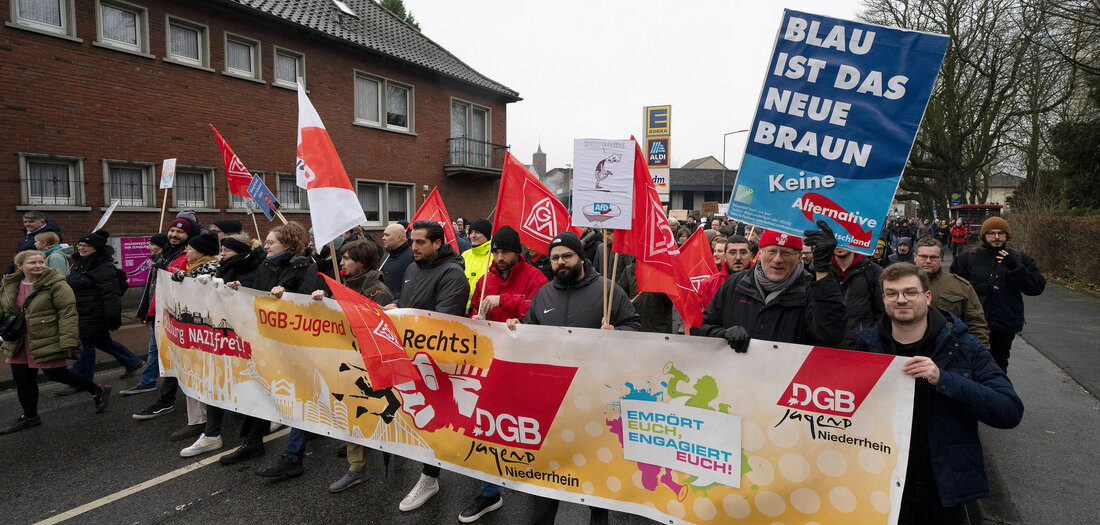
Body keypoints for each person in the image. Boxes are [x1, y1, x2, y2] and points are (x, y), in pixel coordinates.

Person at [853, 263, 1023, 523]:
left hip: (944, 485)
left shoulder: (963, 345)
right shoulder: (866, 345)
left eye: (910, 292)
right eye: (892, 293)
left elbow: (1009, 410)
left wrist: (944, 379)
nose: (901, 299)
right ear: (883, 298)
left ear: (927, 296)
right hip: (881, 480)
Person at [507, 231, 640, 524]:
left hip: (596, 400)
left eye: (567, 256)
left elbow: (636, 329)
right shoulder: (544, 293)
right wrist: (517, 331)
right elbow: (531, 334)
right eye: (555, 258)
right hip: (552, 402)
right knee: (546, 473)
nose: (560, 262)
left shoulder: (609, 291)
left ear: (581, 257)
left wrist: (618, 334)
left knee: (596, 472)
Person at [387, 220, 470, 513]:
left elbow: (443, 320)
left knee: (438, 419)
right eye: (412, 242)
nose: (414, 248)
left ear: (437, 243)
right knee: (419, 417)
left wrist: (407, 318)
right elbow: (410, 303)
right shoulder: (412, 268)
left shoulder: (452, 275)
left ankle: (429, 477)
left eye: (420, 242)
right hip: (410, 357)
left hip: (438, 363)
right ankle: (430, 473)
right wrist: (397, 308)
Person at [218, 222, 315, 465]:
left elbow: (309, 303)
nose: (266, 246)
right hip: (265, 338)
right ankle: (252, 442)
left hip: (292, 342)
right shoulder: (266, 264)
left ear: (289, 244)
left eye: (271, 242)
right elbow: (259, 294)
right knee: (259, 388)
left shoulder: (304, 266)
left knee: (297, 394)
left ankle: (296, 453)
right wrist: (242, 289)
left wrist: (287, 297)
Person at [1, 251, 110, 434]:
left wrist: (68, 339)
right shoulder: (10, 285)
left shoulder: (56, 284)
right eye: (32, 262)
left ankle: (98, 391)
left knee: (57, 374)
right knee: (22, 379)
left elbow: (67, 312)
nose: (38, 265)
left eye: (41, 262)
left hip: (48, 337)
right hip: (20, 340)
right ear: (20, 266)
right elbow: (3, 310)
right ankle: (30, 417)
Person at [178, 234, 265, 458]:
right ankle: (211, 435)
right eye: (221, 250)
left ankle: (256, 437)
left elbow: (259, 300)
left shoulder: (256, 269)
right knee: (215, 382)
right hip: (222, 337)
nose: (222, 255)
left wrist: (238, 290)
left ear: (238, 251)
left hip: (245, 339)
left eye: (226, 251)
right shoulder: (224, 268)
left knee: (251, 387)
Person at [695, 223, 847, 351]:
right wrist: (723, 334)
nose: (778, 259)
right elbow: (699, 328)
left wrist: (823, 270)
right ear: (759, 253)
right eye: (772, 251)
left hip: (787, 382)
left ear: (798, 257)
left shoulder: (811, 290)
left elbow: (830, 335)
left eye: (786, 253)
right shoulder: (735, 284)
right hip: (737, 380)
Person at [950, 217, 1045, 372]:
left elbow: (1036, 287)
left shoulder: (1019, 258)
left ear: (1007, 236)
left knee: (998, 367)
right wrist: (976, 288)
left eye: (1001, 233)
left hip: (1005, 324)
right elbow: (954, 286)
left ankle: (997, 395)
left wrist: (1016, 268)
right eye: (991, 233)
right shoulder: (968, 257)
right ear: (983, 236)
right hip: (973, 323)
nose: (996, 237)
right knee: (971, 365)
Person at [60, 230, 144, 394]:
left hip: (93, 313)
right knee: (102, 342)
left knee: (85, 346)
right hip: (81, 311)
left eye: (87, 245)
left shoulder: (103, 267)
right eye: (80, 244)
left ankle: (80, 381)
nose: (82, 248)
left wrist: (112, 317)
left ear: (97, 248)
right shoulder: (80, 263)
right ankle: (132, 362)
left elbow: (110, 294)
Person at [129, 217, 197, 410]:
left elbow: (187, 284)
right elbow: (153, 287)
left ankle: (167, 399)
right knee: (159, 352)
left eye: (180, 232)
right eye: (172, 230)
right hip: (160, 313)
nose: (174, 234)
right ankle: (154, 387)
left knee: (172, 356)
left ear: (188, 235)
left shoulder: (188, 255)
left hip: (178, 317)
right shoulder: (164, 252)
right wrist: (147, 311)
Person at [162, 232, 222, 442]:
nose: (186, 250)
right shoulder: (190, 270)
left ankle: (204, 421)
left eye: (190, 247)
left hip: (205, 334)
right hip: (190, 333)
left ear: (202, 251)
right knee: (190, 372)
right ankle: (196, 420)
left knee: (203, 376)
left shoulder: (212, 271)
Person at [914, 237, 990, 347]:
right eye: (923, 256)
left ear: (941, 258)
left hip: (949, 349)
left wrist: (980, 353)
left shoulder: (960, 286)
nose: (928, 261)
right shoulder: (898, 284)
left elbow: (976, 323)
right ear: (915, 257)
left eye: (933, 257)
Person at [468, 226, 548, 322]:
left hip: (522, 336)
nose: (500, 257)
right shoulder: (484, 281)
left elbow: (541, 312)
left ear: (517, 252)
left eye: (505, 252)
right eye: (496, 252)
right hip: (490, 336)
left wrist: (503, 301)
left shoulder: (536, 278)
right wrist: (477, 319)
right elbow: (474, 309)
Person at [831, 246, 884, 348]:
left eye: (844, 237)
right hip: (824, 345)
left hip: (859, 345)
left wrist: (869, 338)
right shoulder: (820, 270)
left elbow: (881, 312)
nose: (839, 245)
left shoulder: (874, 271)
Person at [697, 235, 754, 310]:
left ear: (750, 256)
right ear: (725, 256)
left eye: (743, 252)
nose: (738, 257)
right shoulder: (709, 285)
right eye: (732, 253)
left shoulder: (762, 283)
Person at [460, 218, 494, 309]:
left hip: (483, 312)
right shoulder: (465, 255)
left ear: (487, 234)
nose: (473, 236)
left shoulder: (495, 256)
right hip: (461, 311)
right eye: (471, 232)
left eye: (478, 232)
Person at [380, 223, 414, 300]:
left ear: (399, 238)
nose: (383, 238)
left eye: (387, 235)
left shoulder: (413, 257)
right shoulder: (386, 256)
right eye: (383, 235)